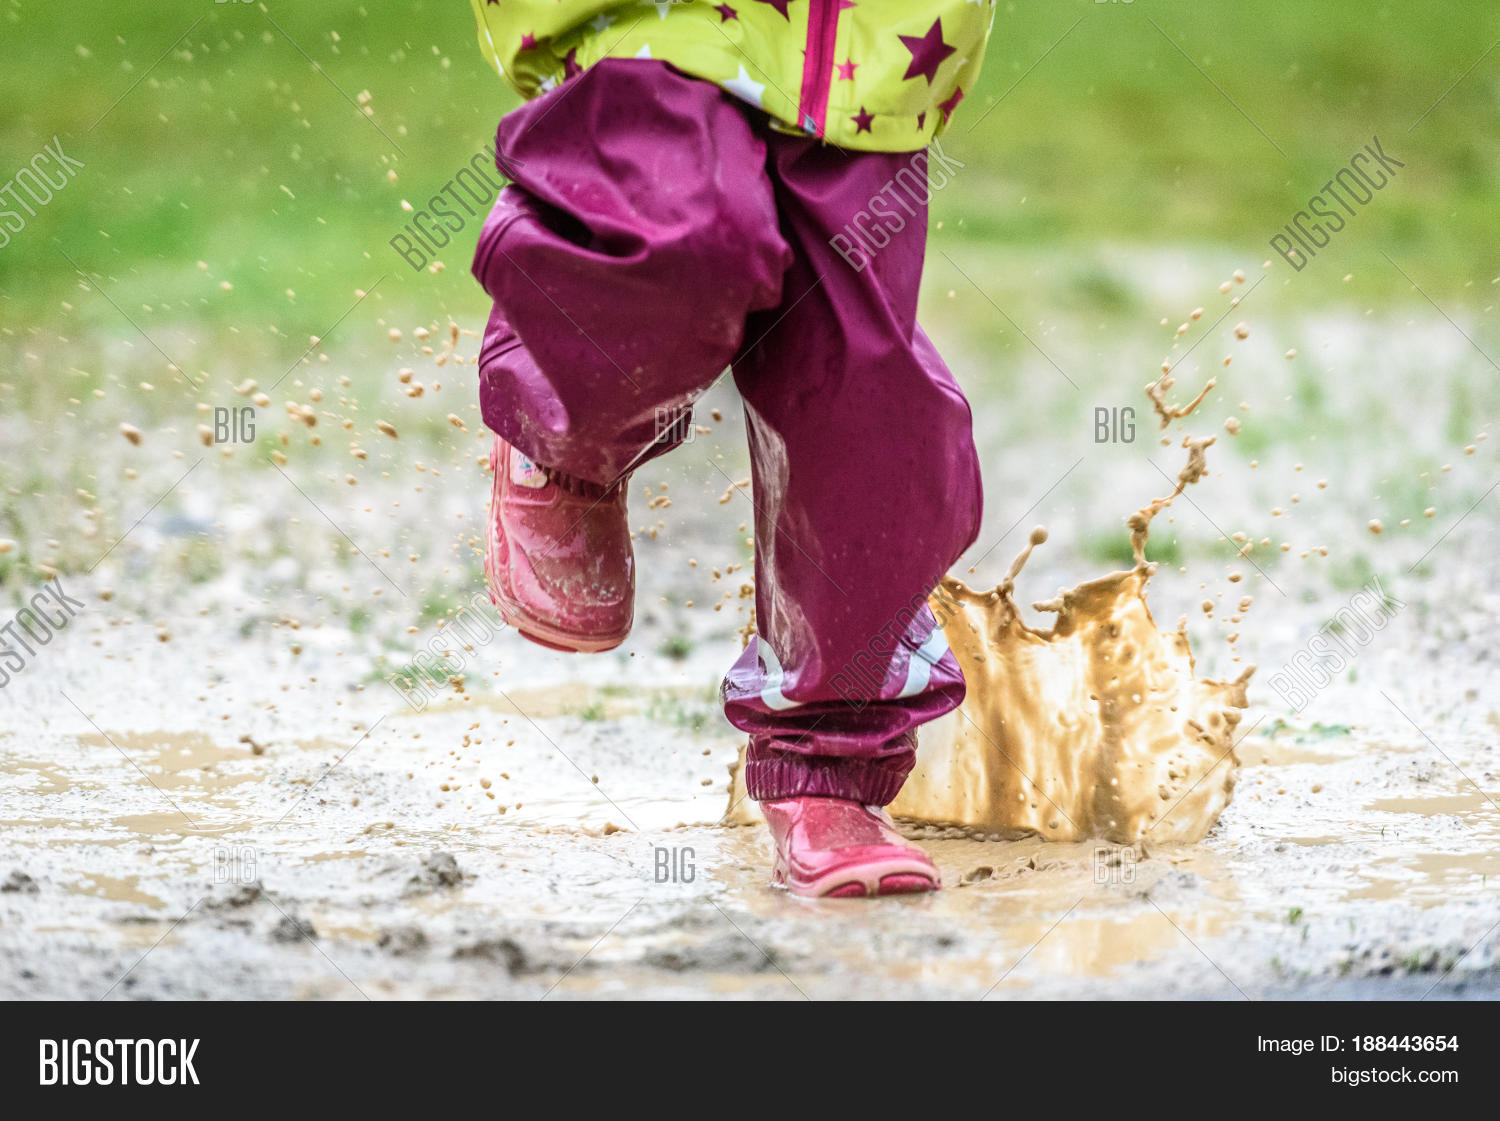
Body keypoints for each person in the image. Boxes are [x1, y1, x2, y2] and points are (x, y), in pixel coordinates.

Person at [469, 0, 992, 896]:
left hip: (870, 44)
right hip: (654, 16)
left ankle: (829, 763)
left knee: (864, 392)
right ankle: (566, 432)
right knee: (676, 229)